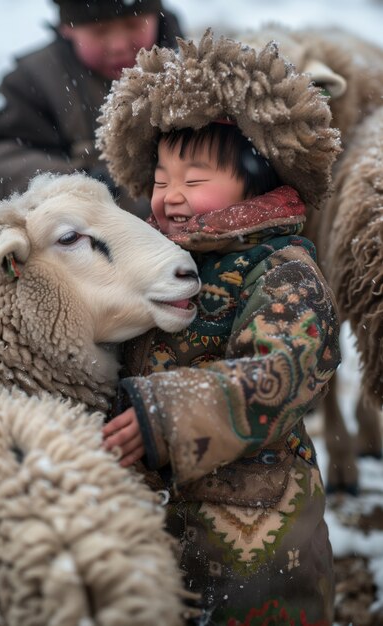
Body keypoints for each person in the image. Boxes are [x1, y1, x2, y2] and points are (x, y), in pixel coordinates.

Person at [97, 30, 342, 625]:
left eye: (195, 179)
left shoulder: (282, 269)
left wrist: (166, 415)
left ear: (256, 178)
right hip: (158, 532)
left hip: (260, 545)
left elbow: (285, 372)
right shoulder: (156, 265)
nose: (171, 197)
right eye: (159, 180)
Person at [0, 0, 183, 218]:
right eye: (99, 31)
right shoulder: (35, 80)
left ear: (156, 15)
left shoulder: (195, 68)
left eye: (133, 25)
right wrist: (70, 184)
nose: (118, 45)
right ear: (67, 28)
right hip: (89, 243)